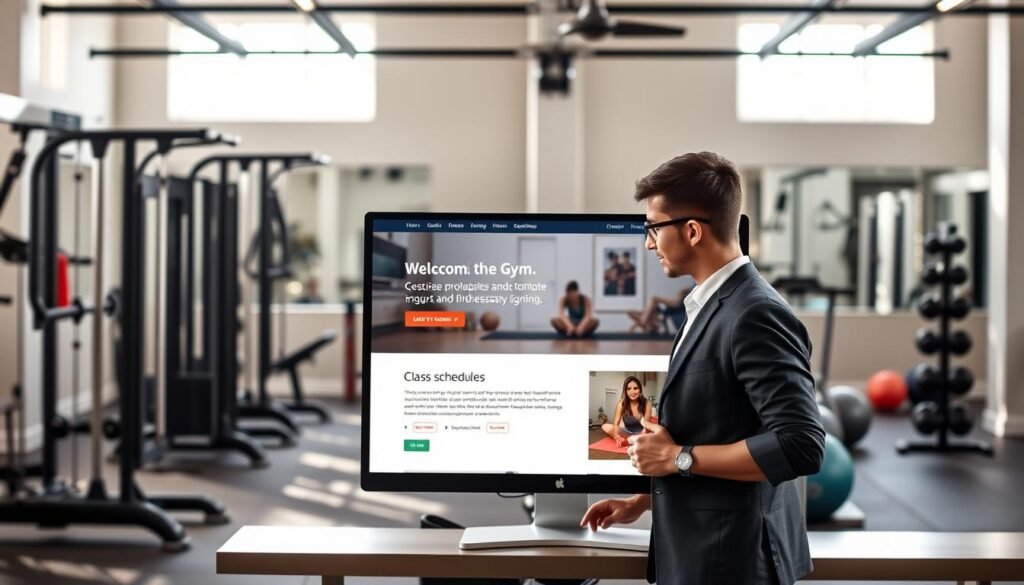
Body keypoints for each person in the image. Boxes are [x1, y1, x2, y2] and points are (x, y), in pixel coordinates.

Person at [580, 152, 825, 585]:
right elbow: (719, 423)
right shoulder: (711, 302)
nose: (648, 243)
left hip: (733, 562)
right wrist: (643, 500)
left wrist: (677, 458)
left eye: (653, 227)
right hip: (709, 549)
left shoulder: (755, 313)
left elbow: (800, 443)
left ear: (691, 231)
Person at [601, 376, 654, 447]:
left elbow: (647, 426)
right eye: (629, 389)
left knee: (651, 433)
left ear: (640, 390)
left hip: (641, 432)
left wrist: (643, 434)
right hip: (626, 431)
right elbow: (616, 423)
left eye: (635, 388)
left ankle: (630, 440)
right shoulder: (621, 403)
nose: (632, 392)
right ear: (625, 391)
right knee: (605, 426)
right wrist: (616, 436)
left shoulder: (647, 403)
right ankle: (631, 439)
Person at [627, 285, 694, 334]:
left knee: (654, 299)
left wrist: (634, 326)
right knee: (632, 312)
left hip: (668, 312)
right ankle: (644, 320)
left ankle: (643, 321)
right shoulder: (656, 320)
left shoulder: (658, 320)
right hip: (664, 314)